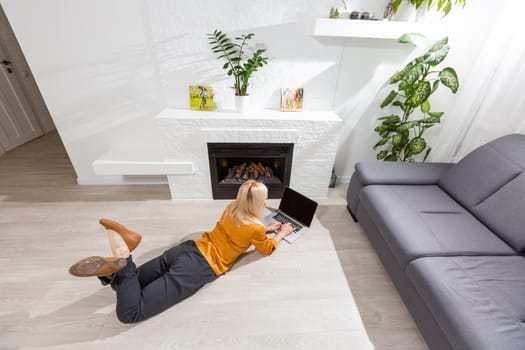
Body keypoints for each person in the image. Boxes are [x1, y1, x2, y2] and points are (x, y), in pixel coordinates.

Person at [68, 180, 294, 324]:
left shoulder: (231, 208)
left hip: (188, 249)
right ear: (256, 202)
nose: (267, 200)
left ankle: (111, 272)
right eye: (264, 198)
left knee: (123, 285)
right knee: (129, 313)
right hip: (199, 267)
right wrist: (280, 233)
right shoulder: (254, 227)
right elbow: (266, 248)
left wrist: (265, 228)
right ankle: (124, 258)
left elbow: (239, 230)